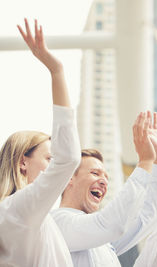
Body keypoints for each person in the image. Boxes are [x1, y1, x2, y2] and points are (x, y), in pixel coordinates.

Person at [0, 19, 81, 266]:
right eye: (48, 158)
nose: (55, 166)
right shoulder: (20, 208)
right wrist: (56, 71)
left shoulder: (26, 214)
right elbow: (68, 158)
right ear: (22, 162)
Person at [51, 111, 157, 267]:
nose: (104, 181)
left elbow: (148, 217)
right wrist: (145, 161)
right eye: (95, 173)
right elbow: (112, 225)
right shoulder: (57, 223)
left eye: (106, 177)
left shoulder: (102, 239)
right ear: (68, 179)